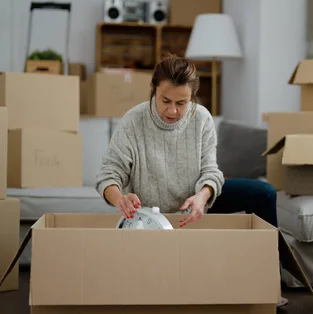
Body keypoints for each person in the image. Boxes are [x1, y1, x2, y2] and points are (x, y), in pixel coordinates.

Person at [95, 55, 288, 307]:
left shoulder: (202, 119)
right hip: (154, 215)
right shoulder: (134, 120)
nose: (172, 111)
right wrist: (120, 197)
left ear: (192, 98)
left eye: (181, 103)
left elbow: (211, 171)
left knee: (264, 193)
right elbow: (109, 174)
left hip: (196, 203)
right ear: (154, 90)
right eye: (165, 100)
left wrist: (203, 196)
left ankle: (268, 283)